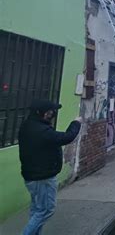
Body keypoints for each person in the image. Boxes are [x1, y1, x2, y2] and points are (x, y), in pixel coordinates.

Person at [18, 99, 83, 235]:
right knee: (46, 210)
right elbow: (67, 137)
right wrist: (76, 123)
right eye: (49, 112)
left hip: (32, 176)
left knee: (37, 210)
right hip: (43, 178)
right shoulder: (42, 131)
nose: (52, 114)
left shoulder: (28, 126)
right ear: (40, 113)